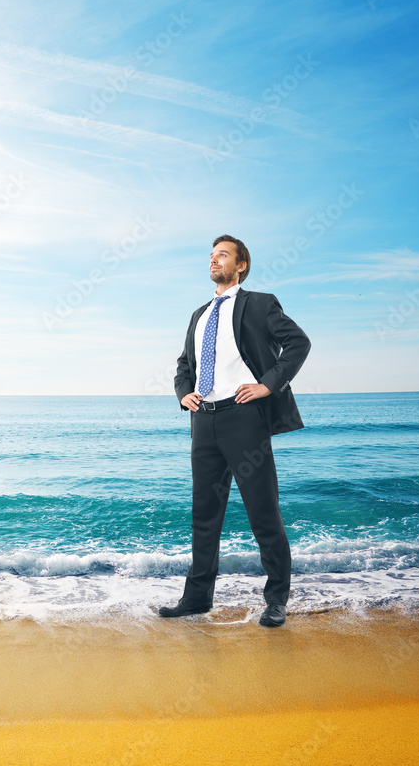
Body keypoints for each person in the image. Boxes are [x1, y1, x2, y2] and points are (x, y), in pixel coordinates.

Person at [159, 235, 310, 627]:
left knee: (263, 511)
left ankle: (277, 599)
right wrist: (183, 394)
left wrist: (267, 384)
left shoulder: (260, 303)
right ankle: (196, 599)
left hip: (244, 417)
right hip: (203, 421)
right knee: (204, 515)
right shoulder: (199, 314)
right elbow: (183, 364)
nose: (214, 261)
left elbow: (298, 342)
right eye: (211, 256)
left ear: (240, 265)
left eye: (222, 255)